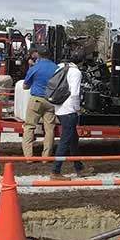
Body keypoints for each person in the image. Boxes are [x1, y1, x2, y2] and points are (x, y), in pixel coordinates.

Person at [50, 51, 95, 180]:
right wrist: (78, 109)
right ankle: (55, 171)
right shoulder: (75, 72)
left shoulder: (59, 67)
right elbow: (75, 94)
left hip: (59, 108)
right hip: (69, 110)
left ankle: (79, 167)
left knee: (73, 139)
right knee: (65, 140)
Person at [21, 49, 58, 158]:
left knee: (29, 126)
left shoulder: (35, 68)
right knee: (49, 129)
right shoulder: (56, 68)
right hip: (51, 100)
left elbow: (25, 86)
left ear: (39, 56)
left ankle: (28, 156)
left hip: (37, 99)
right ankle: (46, 156)